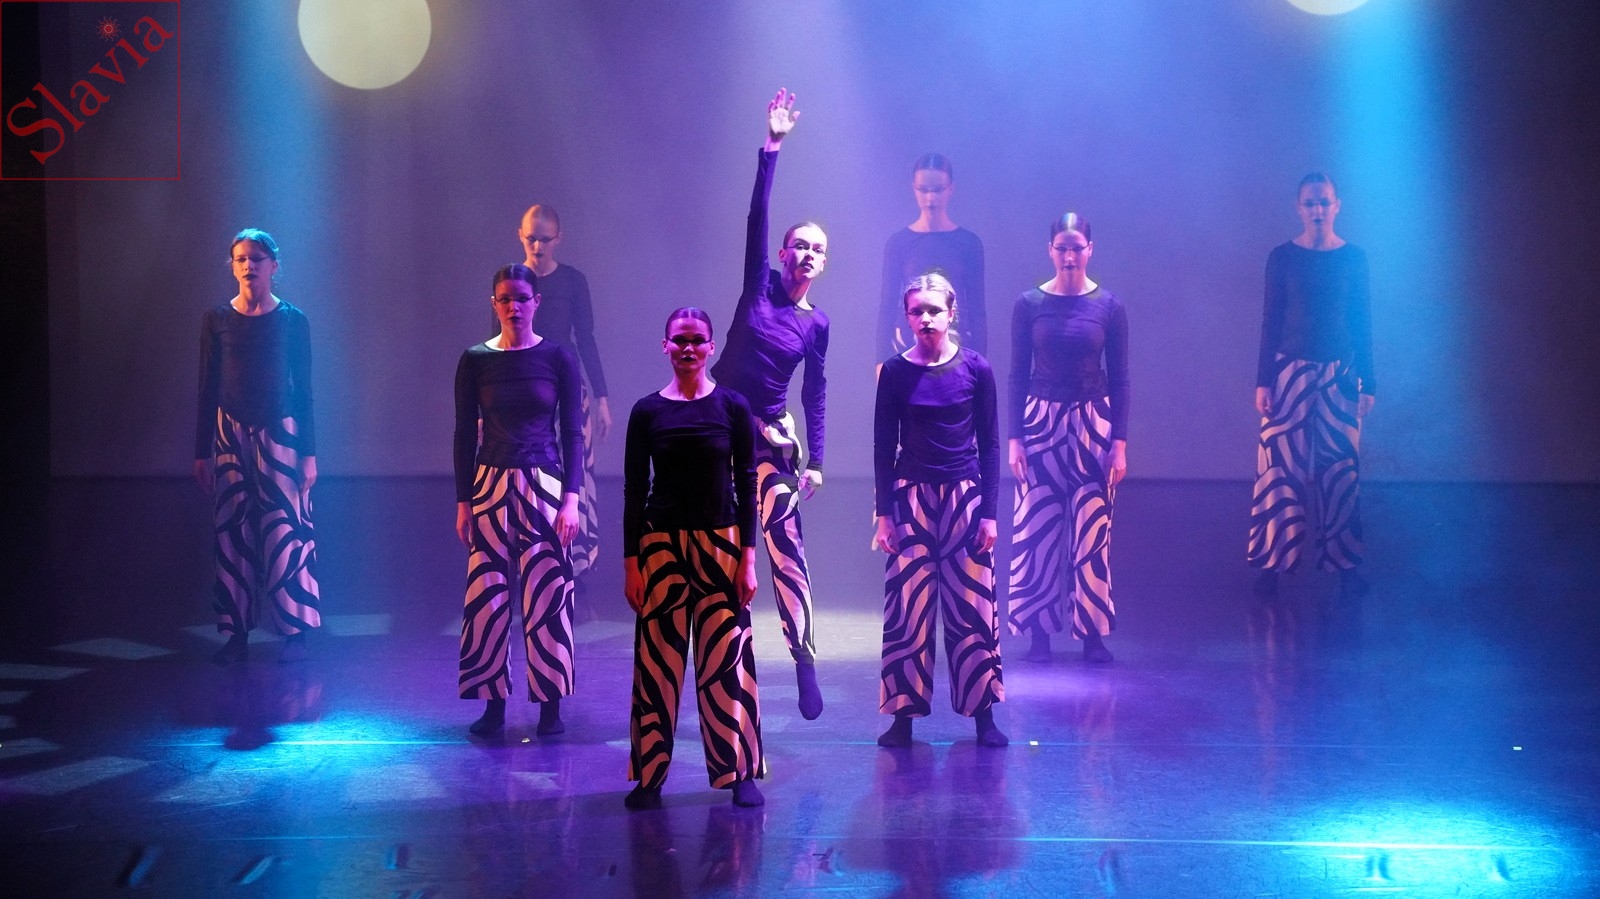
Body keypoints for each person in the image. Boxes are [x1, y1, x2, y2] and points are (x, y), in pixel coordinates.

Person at [710, 88, 829, 720]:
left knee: (785, 548)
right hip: (720, 426)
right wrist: (772, 145)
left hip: (773, 441)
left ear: (823, 263)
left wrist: (818, 461)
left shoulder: (817, 323)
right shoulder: (758, 283)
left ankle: (804, 660)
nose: (806, 254)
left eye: (817, 248)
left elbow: (816, 391)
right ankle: (728, 675)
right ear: (783, 253)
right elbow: (756, 215)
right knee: (726, 553)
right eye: (798, 244)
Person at [623, 307, 765, 810]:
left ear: (710, 347)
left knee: (727, 661)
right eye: (679, 340)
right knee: (656, 665)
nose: (688, 348)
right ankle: (649, 776)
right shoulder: (647, 411)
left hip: (721, 544)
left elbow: (747, 483)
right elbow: (634, 490)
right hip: (660, 546)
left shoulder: (732, 406)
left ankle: (739, 772)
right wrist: (631, 563)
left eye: (697, 340)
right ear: (665, 345)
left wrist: (748, 558)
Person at [873, 273, 1007, 749]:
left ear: (952, 314)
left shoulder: (976, 368)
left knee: (973, 609)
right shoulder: (894, 372)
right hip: (911, 499)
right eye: (917, 311)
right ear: (907, 317)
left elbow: (991, 445)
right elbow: (883, 445)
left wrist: (989, 513)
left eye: (934, 310)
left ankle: (984, 717)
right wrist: (883, 514)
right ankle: (902, 718)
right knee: (907, 611)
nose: (925, 318)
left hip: (964, 498)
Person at [453, 264, 583, 738]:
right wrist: (464, 501)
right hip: (489, 483)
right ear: (494, 304)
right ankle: (493, 707)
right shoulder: (475, 360)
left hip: (544, 485)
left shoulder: (557, 357)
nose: (514, 307)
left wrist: (572, 499)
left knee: (547, 594)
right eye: (505, 299)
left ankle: (550, 707)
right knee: (487, 597)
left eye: (522, 298)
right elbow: (463, 433)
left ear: (536, 303)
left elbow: (572, 432)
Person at [195, 229, 322, 665]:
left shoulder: (292, 320)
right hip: (230, 430)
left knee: (286, 529)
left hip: (280, 430)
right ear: (233, 265)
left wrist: (309, 453)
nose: (249, 265)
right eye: (241, 258)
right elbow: (206, 386)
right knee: (232, 531)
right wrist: (201, 451)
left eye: (257, 258)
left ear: (274, 266)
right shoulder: (217, 319)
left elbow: (304, 389)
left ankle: (296, 631)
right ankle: (236, 632)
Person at [1007, 213, 1129, 664]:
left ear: (1090, 250)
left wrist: (1120, 442)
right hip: (1040, 421)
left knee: (1092, 528)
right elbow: (1017, 374)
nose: (1070, 255)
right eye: (1062, 247)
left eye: (1077, 247)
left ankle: (1092, 634)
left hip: (1094, 422)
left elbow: (1121, 378)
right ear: (1050, 250)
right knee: (1036, 527)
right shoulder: (1029, 304)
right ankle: (1038, 635)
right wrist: (1014, 437)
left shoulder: (1109, 306)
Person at [1248, 172, 1375, 597]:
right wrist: (1264, 381)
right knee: (1279, 470)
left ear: (1337, 205)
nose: (1318, 209)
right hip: (1289, 372)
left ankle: (1345, 565)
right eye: (1310, 203)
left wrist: (1369, 381)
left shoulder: (1354, 259)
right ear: (1298, 208)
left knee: (1342, 471)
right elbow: (1270, 320)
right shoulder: (1282, 257)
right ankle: (1272, 565)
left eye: (1324, 201)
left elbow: (1362, 321)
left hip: (1341, 374)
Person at [515, 205, 609, 582]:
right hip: (523, 391)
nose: (538, 247)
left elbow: (585, 339)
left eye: (545, 239)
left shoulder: (572, 281)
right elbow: (497, 343)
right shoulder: (513, 280)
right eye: (531, 239)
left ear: (558, 239)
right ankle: (532, 556)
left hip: (567, 388)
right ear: (520, 236)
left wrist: (601, 398)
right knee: (529, 474)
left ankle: (574, 560)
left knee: (574, 471)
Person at [878, 154, 986, 357]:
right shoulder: (898, 243)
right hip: (908, 346)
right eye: (923, 189)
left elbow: (977, 310)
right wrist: (881, 359)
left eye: (937, 190)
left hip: (956, 348)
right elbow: (887, 306)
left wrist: (980, 361)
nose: (930, 198)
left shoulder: (968, 243)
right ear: (914, 188)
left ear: (950, 189)